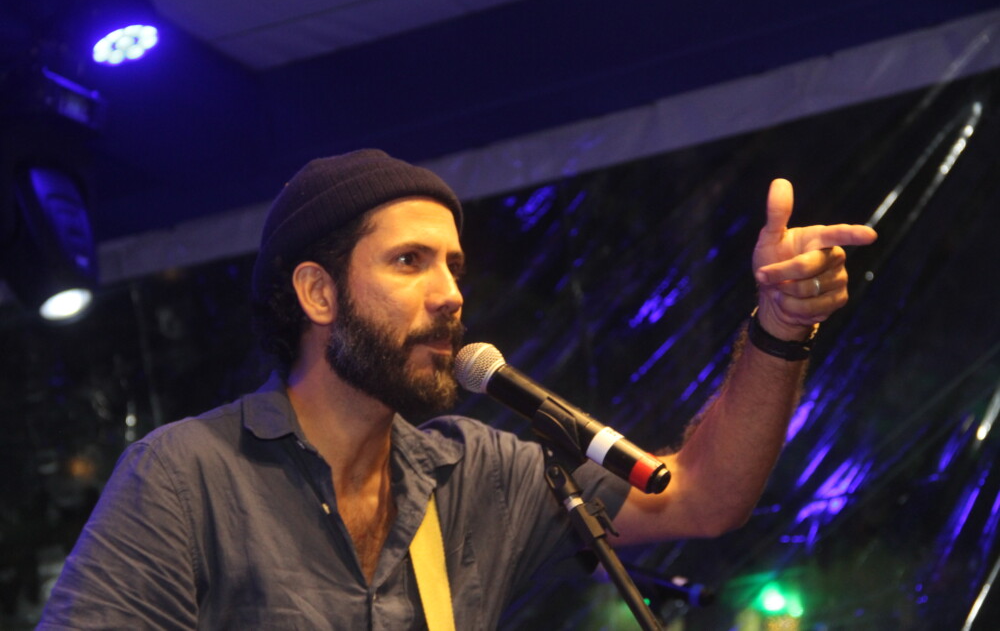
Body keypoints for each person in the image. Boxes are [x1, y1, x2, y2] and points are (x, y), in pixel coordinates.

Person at [38, 149, 877, 628]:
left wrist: (780, 326)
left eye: (454, 266)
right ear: (319, 294)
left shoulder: (484, 475)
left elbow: (703, 496)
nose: (450, 294)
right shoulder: (186, 475)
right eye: (410, 261)